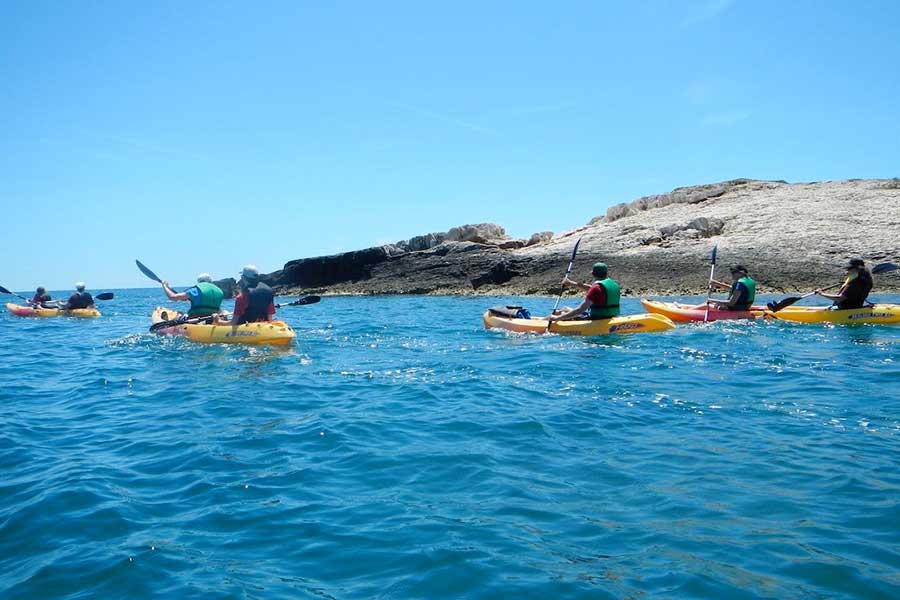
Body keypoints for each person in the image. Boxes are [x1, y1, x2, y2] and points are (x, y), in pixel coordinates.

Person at [547, 262, 620, 322]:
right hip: (611, 315)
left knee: (560, 313)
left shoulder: (596, 288)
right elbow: (591, 289)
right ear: (607, 273)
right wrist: (571, 283)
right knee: (565, 308)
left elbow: (580, 310)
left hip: (597, 318)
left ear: (592, 274)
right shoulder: (614, 285)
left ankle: (545, 321)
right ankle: (542, 320)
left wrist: (557, 318)